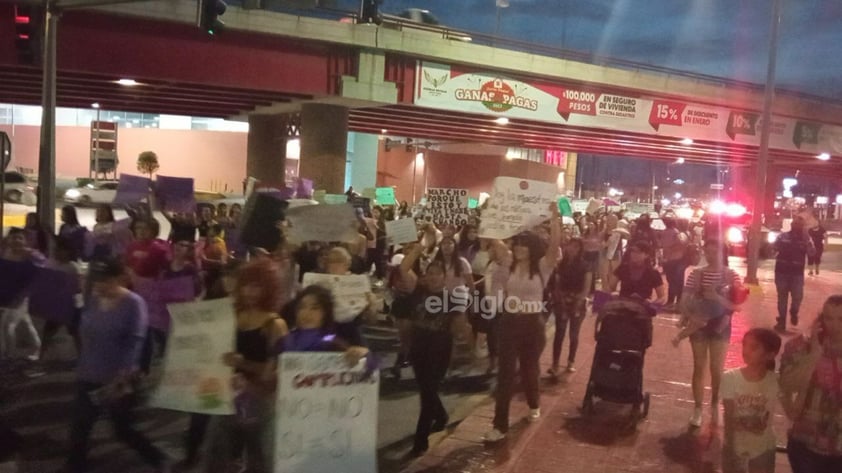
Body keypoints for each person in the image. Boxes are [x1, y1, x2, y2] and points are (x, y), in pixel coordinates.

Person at [63, 258, 170, 473]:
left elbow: (136, 339)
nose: (100, 286)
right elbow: (81, 328)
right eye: (96, 281)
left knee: (122, 429)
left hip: (118, 379)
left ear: (118, 279)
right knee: (80, 426)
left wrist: (125, 373)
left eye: (105, 281)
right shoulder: (90, 299)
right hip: (88, 373)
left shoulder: (133, 303)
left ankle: (157, 458)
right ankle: (75, 466)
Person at [483, 203, 561, 442]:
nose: (518, 248)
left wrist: (556, 218)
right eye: (517, 244)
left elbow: (555, 246)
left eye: (524, 245)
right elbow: (494, 239)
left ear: (533, 248)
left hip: (533, 325)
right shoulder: (508, 263)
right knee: (505, 374)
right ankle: (500, 426)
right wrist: (491, 213)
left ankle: (534, 403)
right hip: (508, 323)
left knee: (529, 369)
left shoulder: (542, 268)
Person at [205, 259, 288, 473]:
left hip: (258, 400)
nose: (250, 292)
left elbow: (276, 373)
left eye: (257, 286)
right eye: (246, 285)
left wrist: (244, 364)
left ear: (268, 289)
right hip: (225, 395)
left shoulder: (274, 325)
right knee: (217, 454)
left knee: (258, 459)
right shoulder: (232, 314)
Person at [680, 239, 744, 428]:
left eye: (714, 251)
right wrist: (690, 316)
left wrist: (716, 297)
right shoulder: (696, 274)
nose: (709, 255)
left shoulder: (731, 275)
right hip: (699, 325)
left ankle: (715, 404)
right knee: (699, 367)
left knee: (717, 369)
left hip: (721, 326)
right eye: (707, 251)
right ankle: (698, 408)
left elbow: (737, 306)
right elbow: (684, 299)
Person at [398, 244, 455, 455]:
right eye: (430, 273)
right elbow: (403, 268)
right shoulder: (418, 290)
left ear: (444, 277)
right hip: (419, 347)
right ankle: (440, 417)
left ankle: (420, 440)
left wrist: (468, 352)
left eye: (437, 274)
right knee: (426, 389)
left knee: (428, 392)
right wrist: (421, 246)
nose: (433, 277)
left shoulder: (452, 299)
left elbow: (458, 329)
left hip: (440, 350)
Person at [779, 295, 842, 473]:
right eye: (829, 318)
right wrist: (814, 356)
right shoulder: (801, 346)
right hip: (807, 441)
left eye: (841, 319)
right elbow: (787, 385)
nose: (835, 325)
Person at [720, 328, 782, 473]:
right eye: (745, 345)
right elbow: (728, 416)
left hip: (763, 448)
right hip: (736, 445)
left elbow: (793, 408)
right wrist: (730, 448)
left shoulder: (775, 380)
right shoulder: (730, 377)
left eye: (753, 347)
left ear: (770, 355)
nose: (746, 350)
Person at [546, 237, 591, 377]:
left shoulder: (585, 265)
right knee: (559, 333)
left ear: (580, 249)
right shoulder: (560, 264)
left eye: (576, 247)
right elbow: (556, 284)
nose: (572, 249)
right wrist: (559, 299)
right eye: (570, 246)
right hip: (562, 301)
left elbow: (586, 287)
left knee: (574, 333)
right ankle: (555, 363)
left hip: (578, 301)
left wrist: (579, 300)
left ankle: (571, 361)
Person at [772, 216, 815, 332]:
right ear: (791, 225)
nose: (797, 227)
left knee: (798, 297)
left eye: (800, 225)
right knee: (782, 298)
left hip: (797, 274)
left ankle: (794, 311)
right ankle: (781, 321)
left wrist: (806, 240)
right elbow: (773, 248)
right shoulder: (782, 236)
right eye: (795, 224)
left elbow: (812, 253)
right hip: (782, 272)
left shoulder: (806, 239)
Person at [660, 217, 689, 312]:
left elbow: (665, 245)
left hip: (673, 259)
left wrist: (670, 249)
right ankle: (676, 302)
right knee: (676, 281)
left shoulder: (673, 233)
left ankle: (672, 301)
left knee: (672, 281)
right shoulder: (681, 233)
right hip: (678, 259)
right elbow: (683, 244)